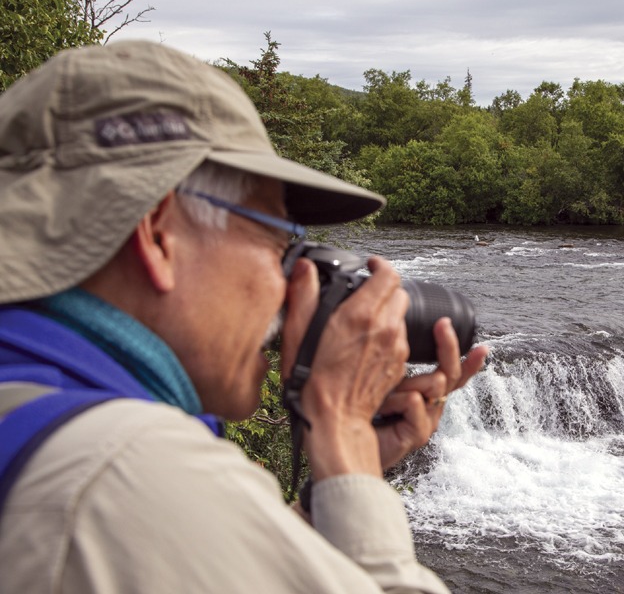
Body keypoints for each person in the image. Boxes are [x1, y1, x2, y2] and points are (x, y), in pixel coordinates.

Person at [0, 40, 488, 593]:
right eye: (282, 242)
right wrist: (344, 428)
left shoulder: (38, 418)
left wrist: (341, 482)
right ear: (160, 234)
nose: (291, 286)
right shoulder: (125, 469)